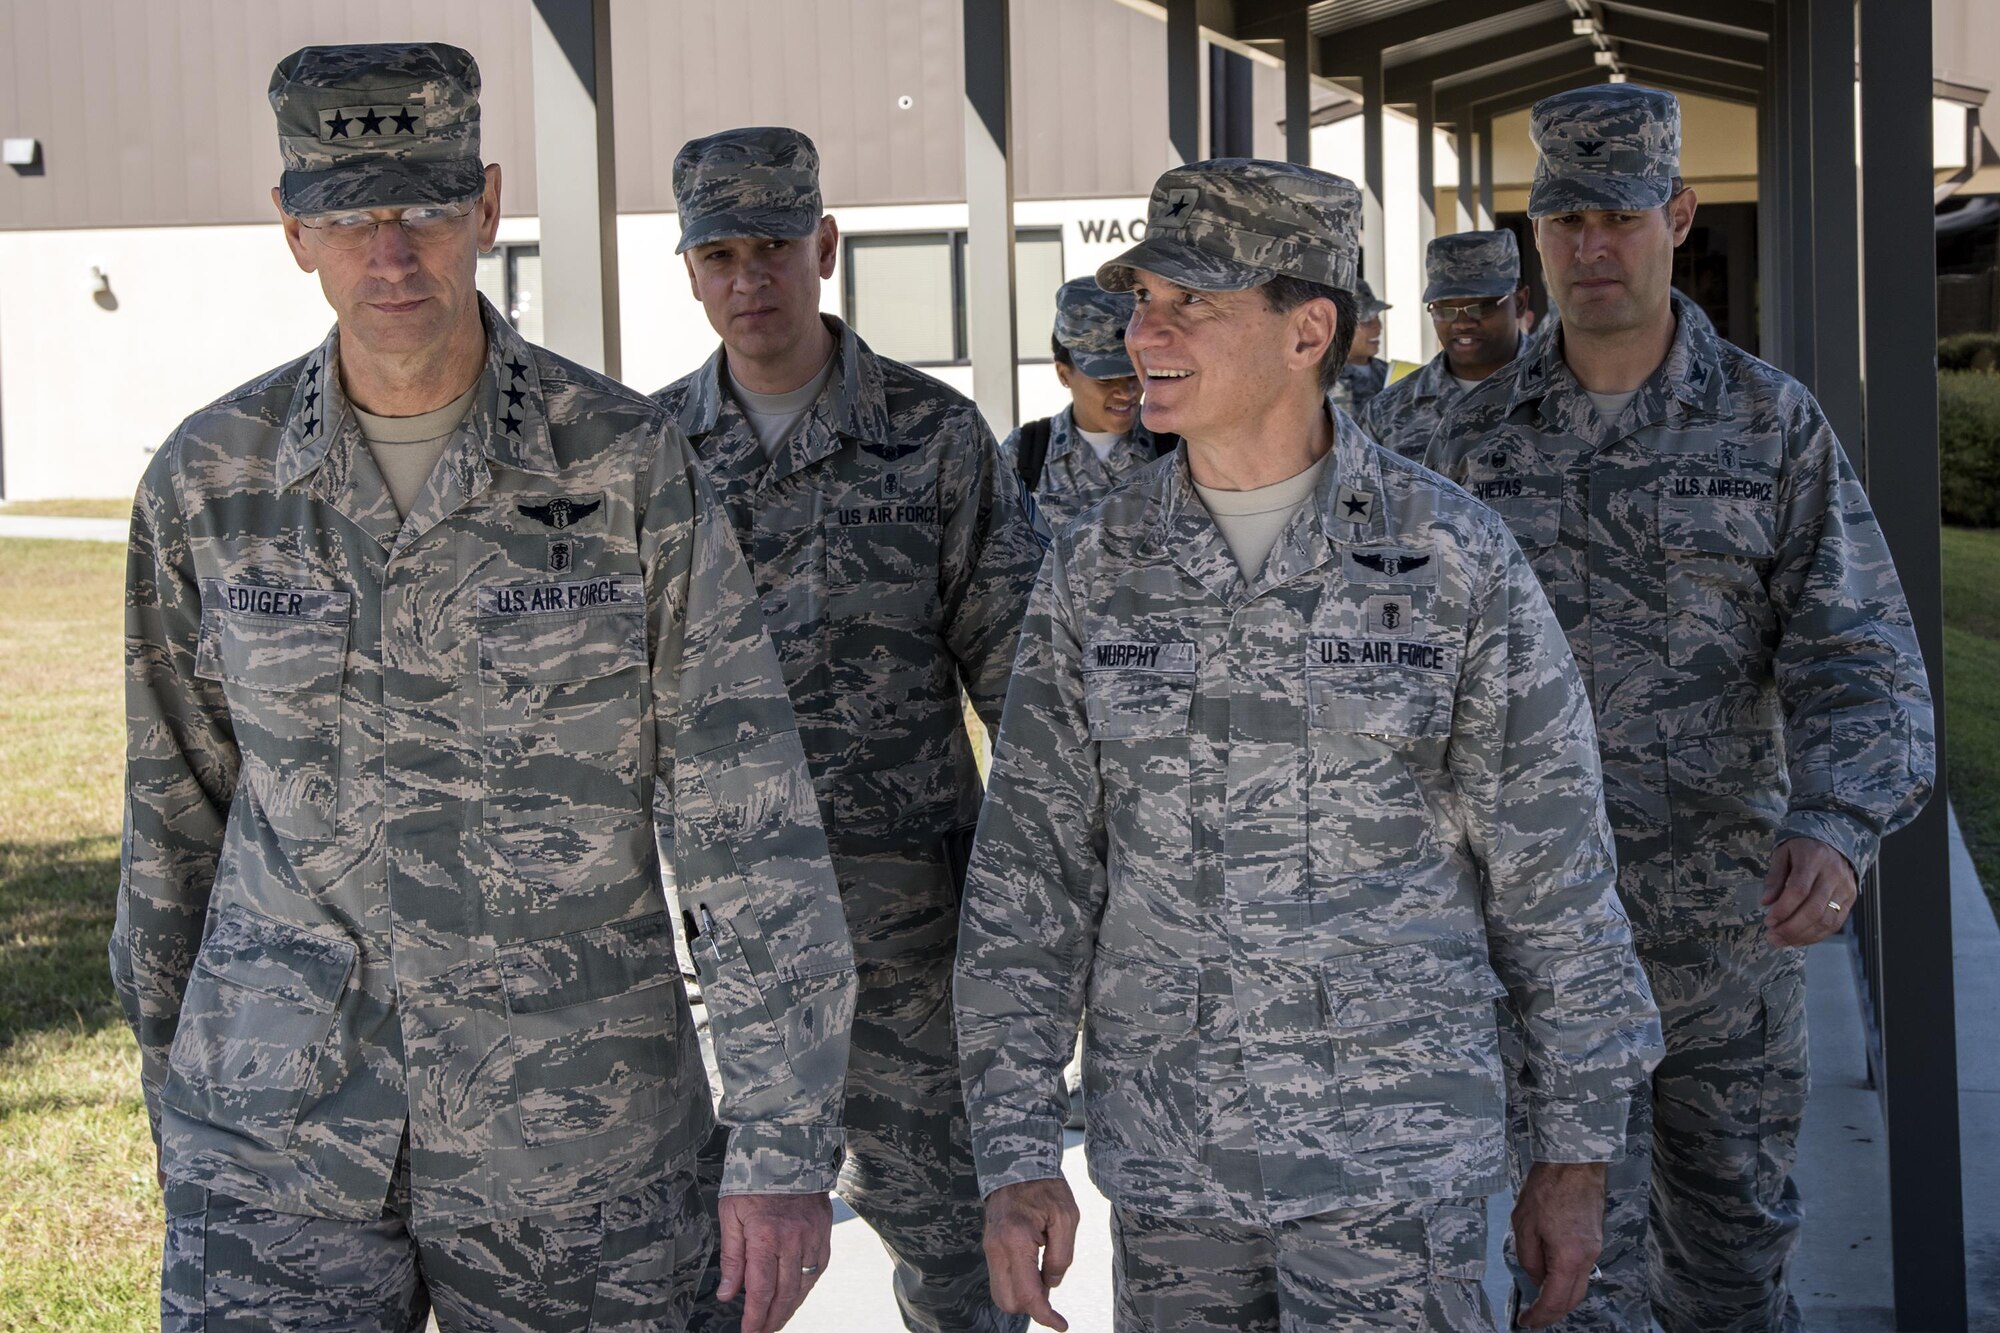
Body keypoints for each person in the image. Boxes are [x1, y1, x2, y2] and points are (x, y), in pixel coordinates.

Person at [112, 45, 854, 1333]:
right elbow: (172, 813)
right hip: (280, 1148)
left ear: (489, 206)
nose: (389, 254)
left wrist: (782, 1150)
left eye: (424, 211)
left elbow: (746, 815)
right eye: (348, 216)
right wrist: (177, 1092)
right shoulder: (210, 482)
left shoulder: (625, 467)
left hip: (581, 1155)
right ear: (294, 231)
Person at [955, 157, 1664, 1333]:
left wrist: (1574, 1154)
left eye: (1194, 303)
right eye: (1142, 299)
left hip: (1394, 1168)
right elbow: (1030, 876)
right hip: (1173, 1167)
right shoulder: (1097, 568)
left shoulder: (1453, 559)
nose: (1146, 332)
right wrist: (1016, 1149)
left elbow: (1555, 875)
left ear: (1307, 329)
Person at [1426, 84, 1936, 1333]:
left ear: (1677, 215)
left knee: (1730, 1273)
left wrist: (1835, 817)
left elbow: (1857, 651)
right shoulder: (1444, 437)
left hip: (1721, 949)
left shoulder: (1769, 426)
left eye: (1617, 216)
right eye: (1563, 221)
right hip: (1525, 961)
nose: (1590, 247)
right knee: (1569, 1285)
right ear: (1530, 235)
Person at [653, 126, 1047, 1333]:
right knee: (710, 1267)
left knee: (950, 1254)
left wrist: (1042, 921)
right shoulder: (647, 455)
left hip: (911, 949)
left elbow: (1022, 691)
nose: (747, 280)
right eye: (716, 253)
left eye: (772, 246)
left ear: (823, 247)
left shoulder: (931, 439)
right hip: (722, 952)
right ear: (688, 270)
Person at [1002, 278, 1175, 535]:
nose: (1126, 392)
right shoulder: (1025, 453)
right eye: (1106, 380)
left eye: (1134, 374)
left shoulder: (1175, 447)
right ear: (1063, 374)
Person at [1360, 231, 1529, 460]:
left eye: (1480, 307)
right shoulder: (1386, 414)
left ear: (1519, 302)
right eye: (1445, 310)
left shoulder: (1567, 387)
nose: (1462, 323)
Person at [1331, 276, 1391, 415]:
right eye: (1367, 322)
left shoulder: (1390, 373)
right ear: (1338, 328)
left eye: (1377, 319)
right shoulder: (1320, 379)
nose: (1378, 327)